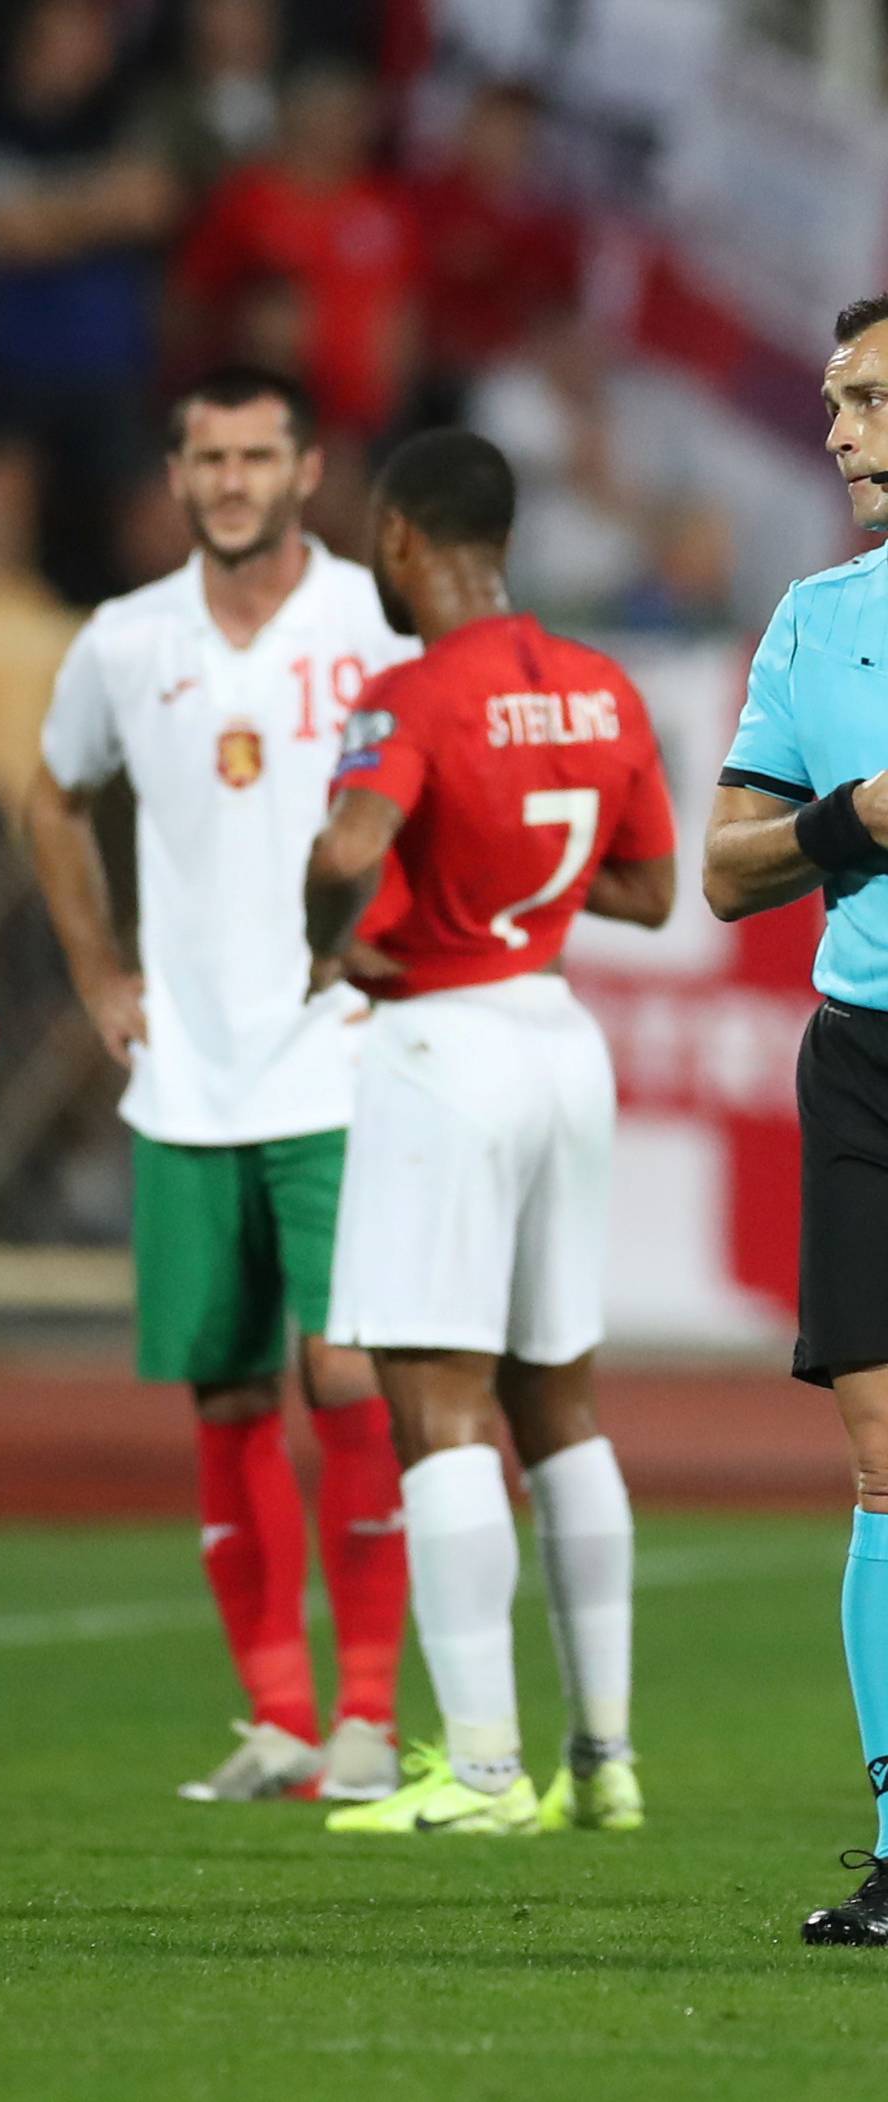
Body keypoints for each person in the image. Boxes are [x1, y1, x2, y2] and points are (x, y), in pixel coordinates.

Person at [25, 366, 417, 1806]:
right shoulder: (128, 640)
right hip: (186, 1071)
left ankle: (368, 1713)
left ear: (310, 469)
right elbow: (50, 796)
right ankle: (278, 1720)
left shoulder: (379, 621)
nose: (235, 479)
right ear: (179, 475)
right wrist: (98, 978)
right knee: (231, 1393)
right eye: (210, 457)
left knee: (349, 1368)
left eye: (260, 454)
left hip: (340, 1056)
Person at [304, 428, 675, 1837]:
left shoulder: (412, 688)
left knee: (435, 1396)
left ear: (401, 536)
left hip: (442, 1047)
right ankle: (606, 1759)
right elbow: (649, 890)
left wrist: (320, 945)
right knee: (560, 1406)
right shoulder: (599, 683)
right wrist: (523, 895)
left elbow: (348, 850)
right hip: (558, 1039)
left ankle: (478, 1769)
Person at [703, 294, 888, 1945]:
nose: (840, 430)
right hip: (866, 1062)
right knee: (886, 1464)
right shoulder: (814, 621)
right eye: (837, 401)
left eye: (873, 399)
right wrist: (864, 818)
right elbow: (726, 869)